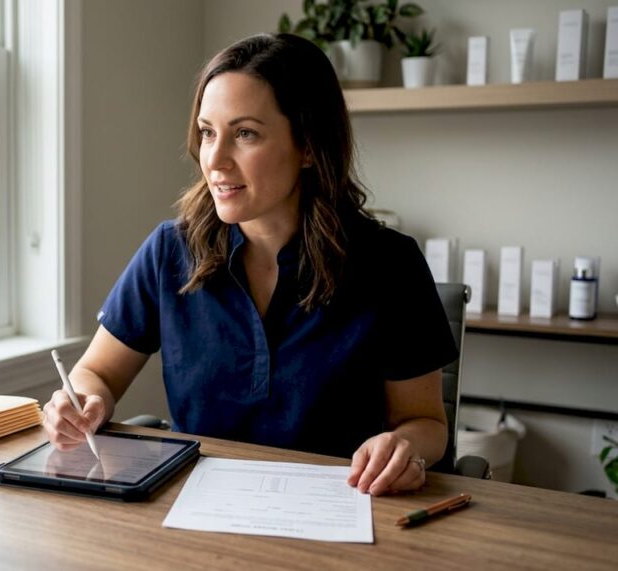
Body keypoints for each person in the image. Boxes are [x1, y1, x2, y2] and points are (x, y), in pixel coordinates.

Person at [42, 33, 458, 497]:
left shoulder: (389, 264)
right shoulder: (169, 251)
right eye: (207, 132)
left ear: (308, 146)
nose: (214, 160)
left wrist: (402, 446)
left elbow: (426, 424)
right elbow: (96, 372)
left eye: (245, 134)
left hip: (340, 509)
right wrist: (81, 401)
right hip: (197, 510)